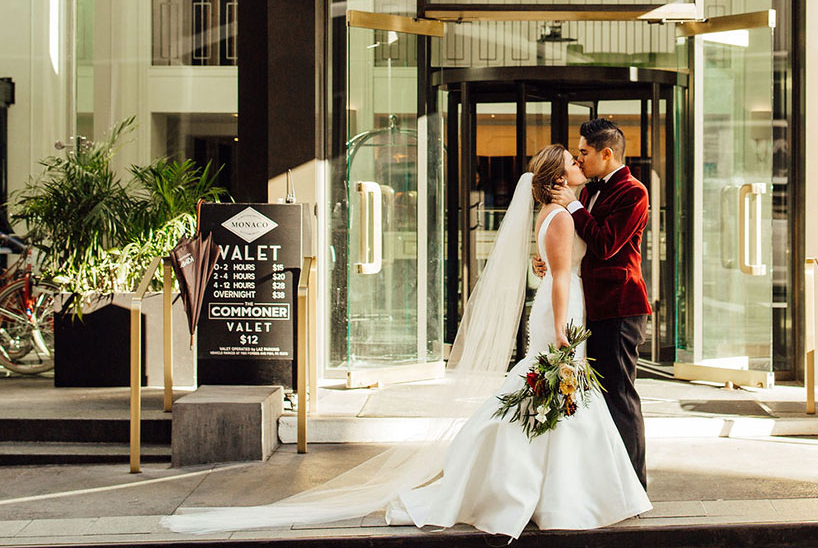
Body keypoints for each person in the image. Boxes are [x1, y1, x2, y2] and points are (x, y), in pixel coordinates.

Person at [164, 145, 650, 539]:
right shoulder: (561, 216)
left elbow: (556, 265)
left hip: (562, 305)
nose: (579, 162)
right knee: (553, 394)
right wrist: (562, 328)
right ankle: (550, 492)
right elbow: (561, 276)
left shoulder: (557, 212)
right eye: (572, 160)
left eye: (581, 156)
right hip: (562, 312)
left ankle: (547, 489)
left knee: (551, 396)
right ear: (559, 177)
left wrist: (550, 272)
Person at [545, 118, 652, 490]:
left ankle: (634, 486)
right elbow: (580, 244)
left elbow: (606, 244)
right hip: (591, 307)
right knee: (597, 399)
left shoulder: (634, 192)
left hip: (620, 308)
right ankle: (605, 482)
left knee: (620, 397)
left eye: (584, 152)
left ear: (607, 154)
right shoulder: (589, 190)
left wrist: (575, 206)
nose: (579, 159)